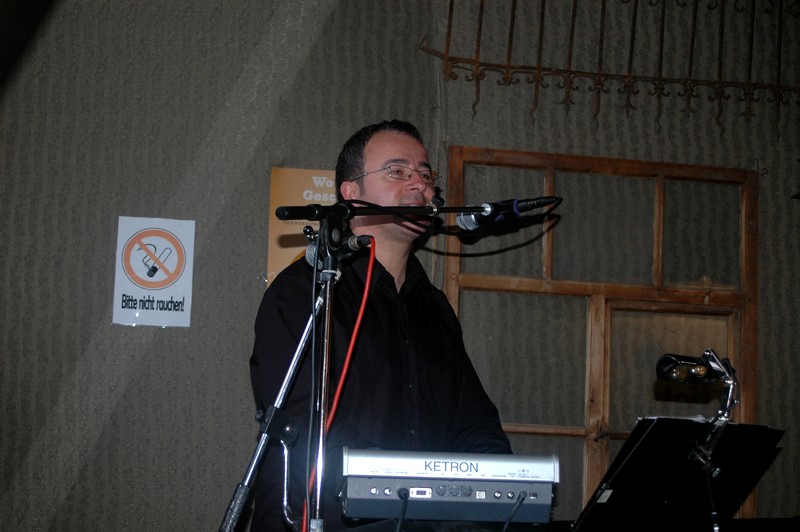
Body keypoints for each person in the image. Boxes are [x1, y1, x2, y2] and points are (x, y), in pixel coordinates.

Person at [249, 120, 512, 531]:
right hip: (319, 519)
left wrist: (501, 488)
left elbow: (473, 422)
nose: (419, 184)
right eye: (397, 171)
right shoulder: (302, 292)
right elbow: (302, 420)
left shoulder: (435, 307)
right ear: (351, 192)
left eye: (425, 174)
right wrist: (412, 485)